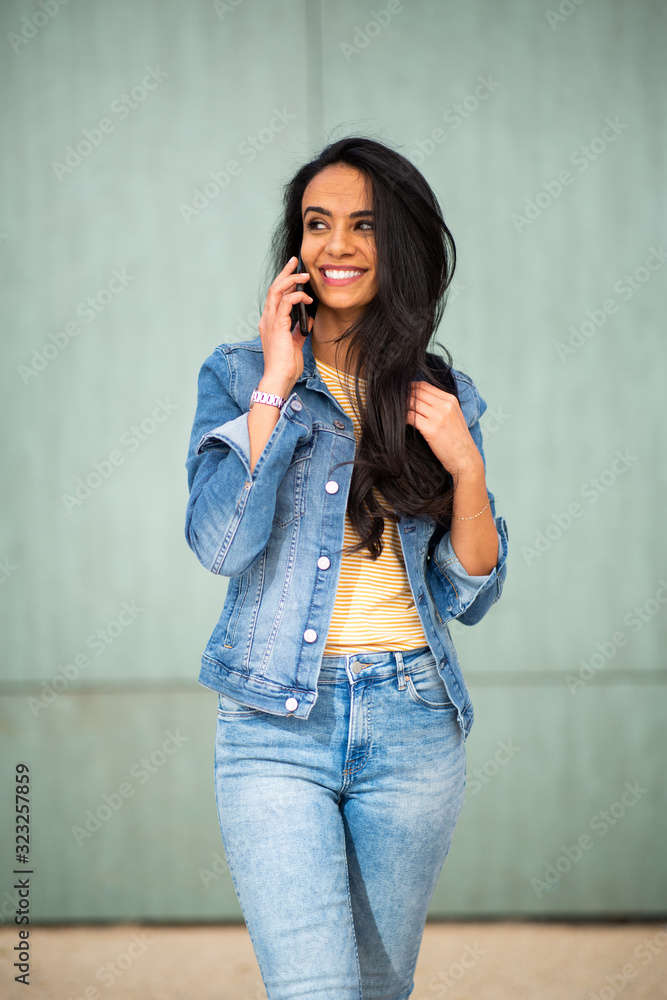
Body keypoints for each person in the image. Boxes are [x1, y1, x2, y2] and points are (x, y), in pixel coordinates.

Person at [184, 136, 509, 1000]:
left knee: (374, 991)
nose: (337, 245)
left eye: (362, 226)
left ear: (393, 243)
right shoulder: (240, 376)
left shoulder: (443, 396)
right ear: (296, 245)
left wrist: (466, 467)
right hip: (273, 724)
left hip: (412, 722)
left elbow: (467, 589)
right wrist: (275, 388)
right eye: (317, 224)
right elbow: (220, 544)